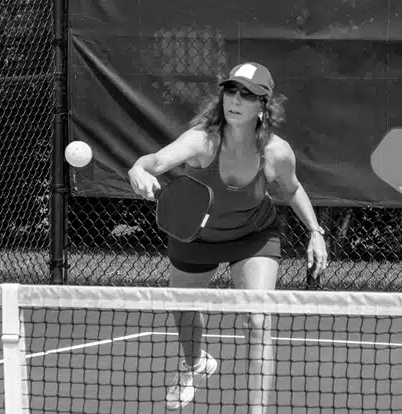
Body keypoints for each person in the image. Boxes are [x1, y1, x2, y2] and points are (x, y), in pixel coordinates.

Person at [128, 62, 329, 412]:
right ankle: (194, 364)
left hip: (253, 236)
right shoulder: (203, 139)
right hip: (195, 237)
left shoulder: (275, 152)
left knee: (258, 319)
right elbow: (156, 161)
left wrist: (315, 231)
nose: (236, 100)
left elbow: (292, 189)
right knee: (184, 312)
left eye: (247, 95)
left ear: (263, 106)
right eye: (231, 91)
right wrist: (137, 169)